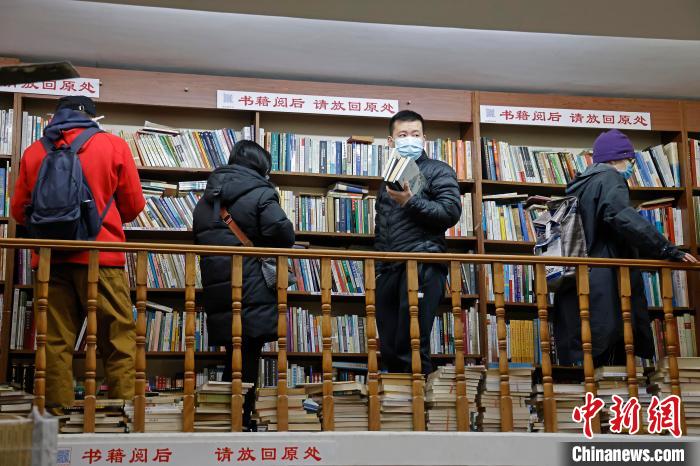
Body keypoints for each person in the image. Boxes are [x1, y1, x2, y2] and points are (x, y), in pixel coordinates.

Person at [11, 96, 145, 409]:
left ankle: (57, 418)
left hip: (51, 260)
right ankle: (124, 415)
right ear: (93, 118)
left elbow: (19, 211)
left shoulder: (34, 151)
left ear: (56, 116)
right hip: (102, 256)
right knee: (118, 338)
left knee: (54, 341)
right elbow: (134, 205)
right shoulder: (112, 145)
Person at [553, 129, 697, 367]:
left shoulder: (580, 185)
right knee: (613, 363)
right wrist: (667, 249)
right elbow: (621, 216)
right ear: (615, 159)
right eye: (630, 160)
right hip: (605, 283)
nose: (631, 166)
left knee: (592, 365)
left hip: (580, 281)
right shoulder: (610, 178)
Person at [193, 140, 295, 428]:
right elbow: (283, 233)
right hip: (250, 284)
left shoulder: (206, 199)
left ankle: (227, 418)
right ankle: (240, 420)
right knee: (248, 355)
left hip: (218, 287)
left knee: (234, 355)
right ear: (262, 166)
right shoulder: (261, 192)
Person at [374, 110, 462, 374]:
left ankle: (417, 400)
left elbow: (449, 213)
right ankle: (397, 400)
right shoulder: (388, 178)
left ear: (424, 138)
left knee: (411, 345)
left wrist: (411, 201)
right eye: (403, 135)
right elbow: (382, 226)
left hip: (422, 264)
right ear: (391, 141)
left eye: (415, 134)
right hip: (389, 269)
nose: (409, 139)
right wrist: (379, 269)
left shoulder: (438, 170)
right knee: (389, 348)